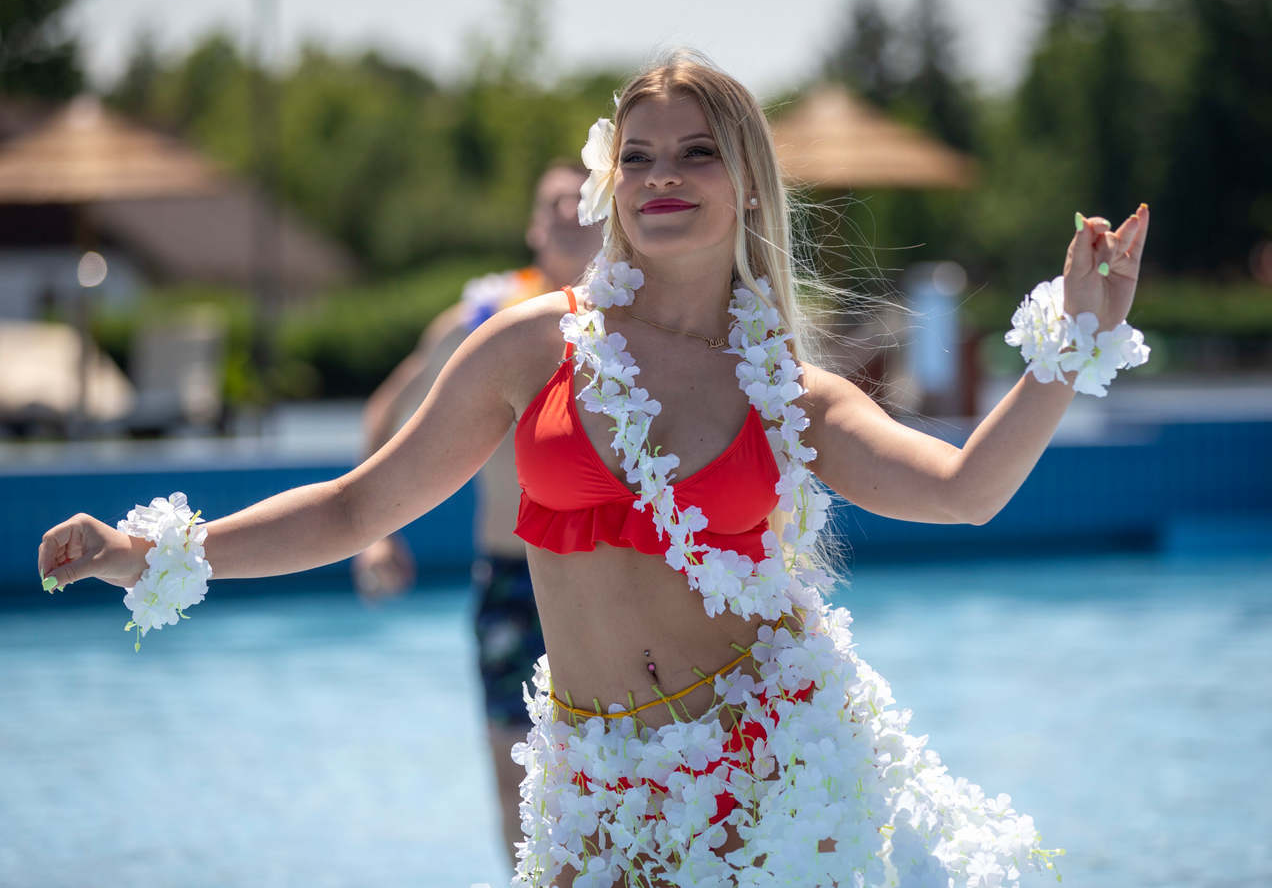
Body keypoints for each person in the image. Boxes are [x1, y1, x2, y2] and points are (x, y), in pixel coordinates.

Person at [39, 51, 1150, 887]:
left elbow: (964, 490)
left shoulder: (789, 395)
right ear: (608, 182)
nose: (662, 177)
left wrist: (1074, 344)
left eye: (696, 153)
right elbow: (353, 505)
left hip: (764, 769)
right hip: (592, 788)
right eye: (639, 157)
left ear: (748, 183)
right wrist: (151, 551)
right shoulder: (533, 346)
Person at [352, 160, 601, 863]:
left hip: (606, 579)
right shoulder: (484, 320)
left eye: (582, 199)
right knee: (516, 779)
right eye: (554, 201)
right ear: (533, 226)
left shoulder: (637, 320)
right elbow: (387, 410)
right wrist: (377, 534)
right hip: (513, 579)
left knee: (616, 771)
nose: (569, 211)